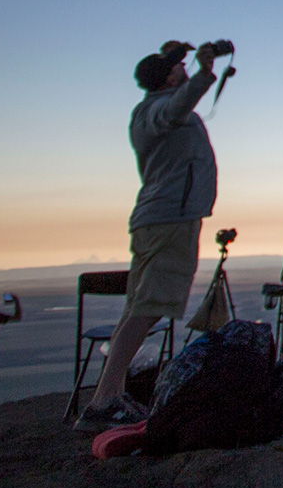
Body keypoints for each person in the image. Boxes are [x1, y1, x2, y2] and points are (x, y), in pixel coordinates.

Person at [76, 40, 228, 432]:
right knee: (149, 306)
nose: (182, 69)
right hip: (169, 220)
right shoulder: (157, 111)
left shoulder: (149, 111)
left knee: (137, 307)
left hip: (159, 219)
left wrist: (175, 56)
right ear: (166, 79)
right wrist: (205, 72)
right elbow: (177, 105)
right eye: (176, 68)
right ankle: (105, 400)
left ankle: (110, 395)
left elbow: (173, 94)